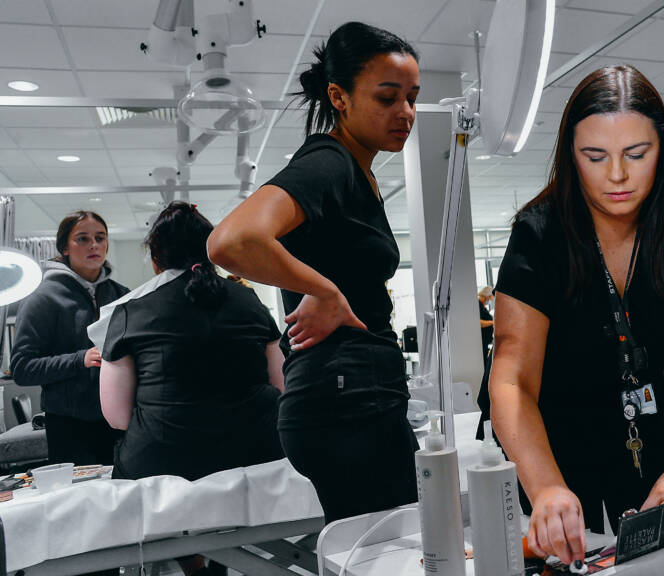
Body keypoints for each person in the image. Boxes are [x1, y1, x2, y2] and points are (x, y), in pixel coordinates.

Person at [488, 65, 664, 565]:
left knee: (658, 565)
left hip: (651, 432)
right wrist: (546, 488)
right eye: (594, 156)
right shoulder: (540, 236)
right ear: (569, 155)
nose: (617, 175)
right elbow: (513, 380)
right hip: (552, 442)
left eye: (636, 154)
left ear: (662, 150)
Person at [207, 21, 420, 523]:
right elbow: (230, 240)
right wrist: (323, 291)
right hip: (345, 396)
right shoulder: (329, 161)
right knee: (388, 550)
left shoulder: (355, 169)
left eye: (411, 97)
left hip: (352, 390)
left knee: (392, 545)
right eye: (388, 97)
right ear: (338, 97)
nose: (405, 113)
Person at [89, 202, 284, 482]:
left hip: (160, 462)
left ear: (156, 258)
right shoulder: (250, 302)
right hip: (259, 453)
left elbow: (117, 417)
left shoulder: (129, 312)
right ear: (211, 249)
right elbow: (281, 386)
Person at [11, 211, 129, 466]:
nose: (94, 245)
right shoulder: (42, 299)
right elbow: (22, 369)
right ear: (64, 247)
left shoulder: (122, 295)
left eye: (100, 237)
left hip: (121, 423)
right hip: (70, 428)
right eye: (83, 239)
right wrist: (79, 360)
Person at [478, 285, 495, 360]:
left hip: (486, 341)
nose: (491, 299)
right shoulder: (478, 304)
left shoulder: (482, 305)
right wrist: (493, 323)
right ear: (486, 295)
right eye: (490, 296)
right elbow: (479, 323)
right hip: (482, 342)